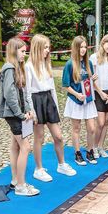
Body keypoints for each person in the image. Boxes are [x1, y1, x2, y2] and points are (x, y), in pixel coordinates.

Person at [25, 34, 76, 180]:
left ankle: (61, 164)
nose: (48, 50)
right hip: (36, 100)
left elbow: (52, 88)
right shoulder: (28, 67)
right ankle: (38, 169)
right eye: (45, 47)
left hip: (48, 100)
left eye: (48, 47)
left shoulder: (46, 64)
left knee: (58, 136)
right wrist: (33, 111)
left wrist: (55, 107)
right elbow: (27, 91)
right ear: (37, 48)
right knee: (39, 137)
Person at [0, 37, 39, 196]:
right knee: (25, 146)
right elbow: (9, 95)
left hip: (19, 113)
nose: (25, 54)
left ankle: (16, 180)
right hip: (14, 114)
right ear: (14, 51)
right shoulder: (9, 68)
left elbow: (22, 92)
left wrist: (28, 110)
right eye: (22, 51)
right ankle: (21, 185)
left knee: (16, 145)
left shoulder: (17, 68)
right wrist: (21, 114)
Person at [62, 36, 98, 166]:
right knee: (76, 128)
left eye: (84, 47)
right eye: (80, 47)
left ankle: (90, 151)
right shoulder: (70, 64)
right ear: (75, 48)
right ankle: (77, 153)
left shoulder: (88, 63)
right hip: (76, 100)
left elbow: (90, 82)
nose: (83, 49)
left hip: (88, 100)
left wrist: (94, 78)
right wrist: (77, 94)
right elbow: (65, 85)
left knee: (92, 128)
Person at [89, 34, 108, 158]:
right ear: (102, 43)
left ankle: (101, 146)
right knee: (100, 122)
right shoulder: (94, 57)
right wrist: (100, 92)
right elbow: (92, 78)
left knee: (106, 122)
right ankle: (94, 147)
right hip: (98, 92)